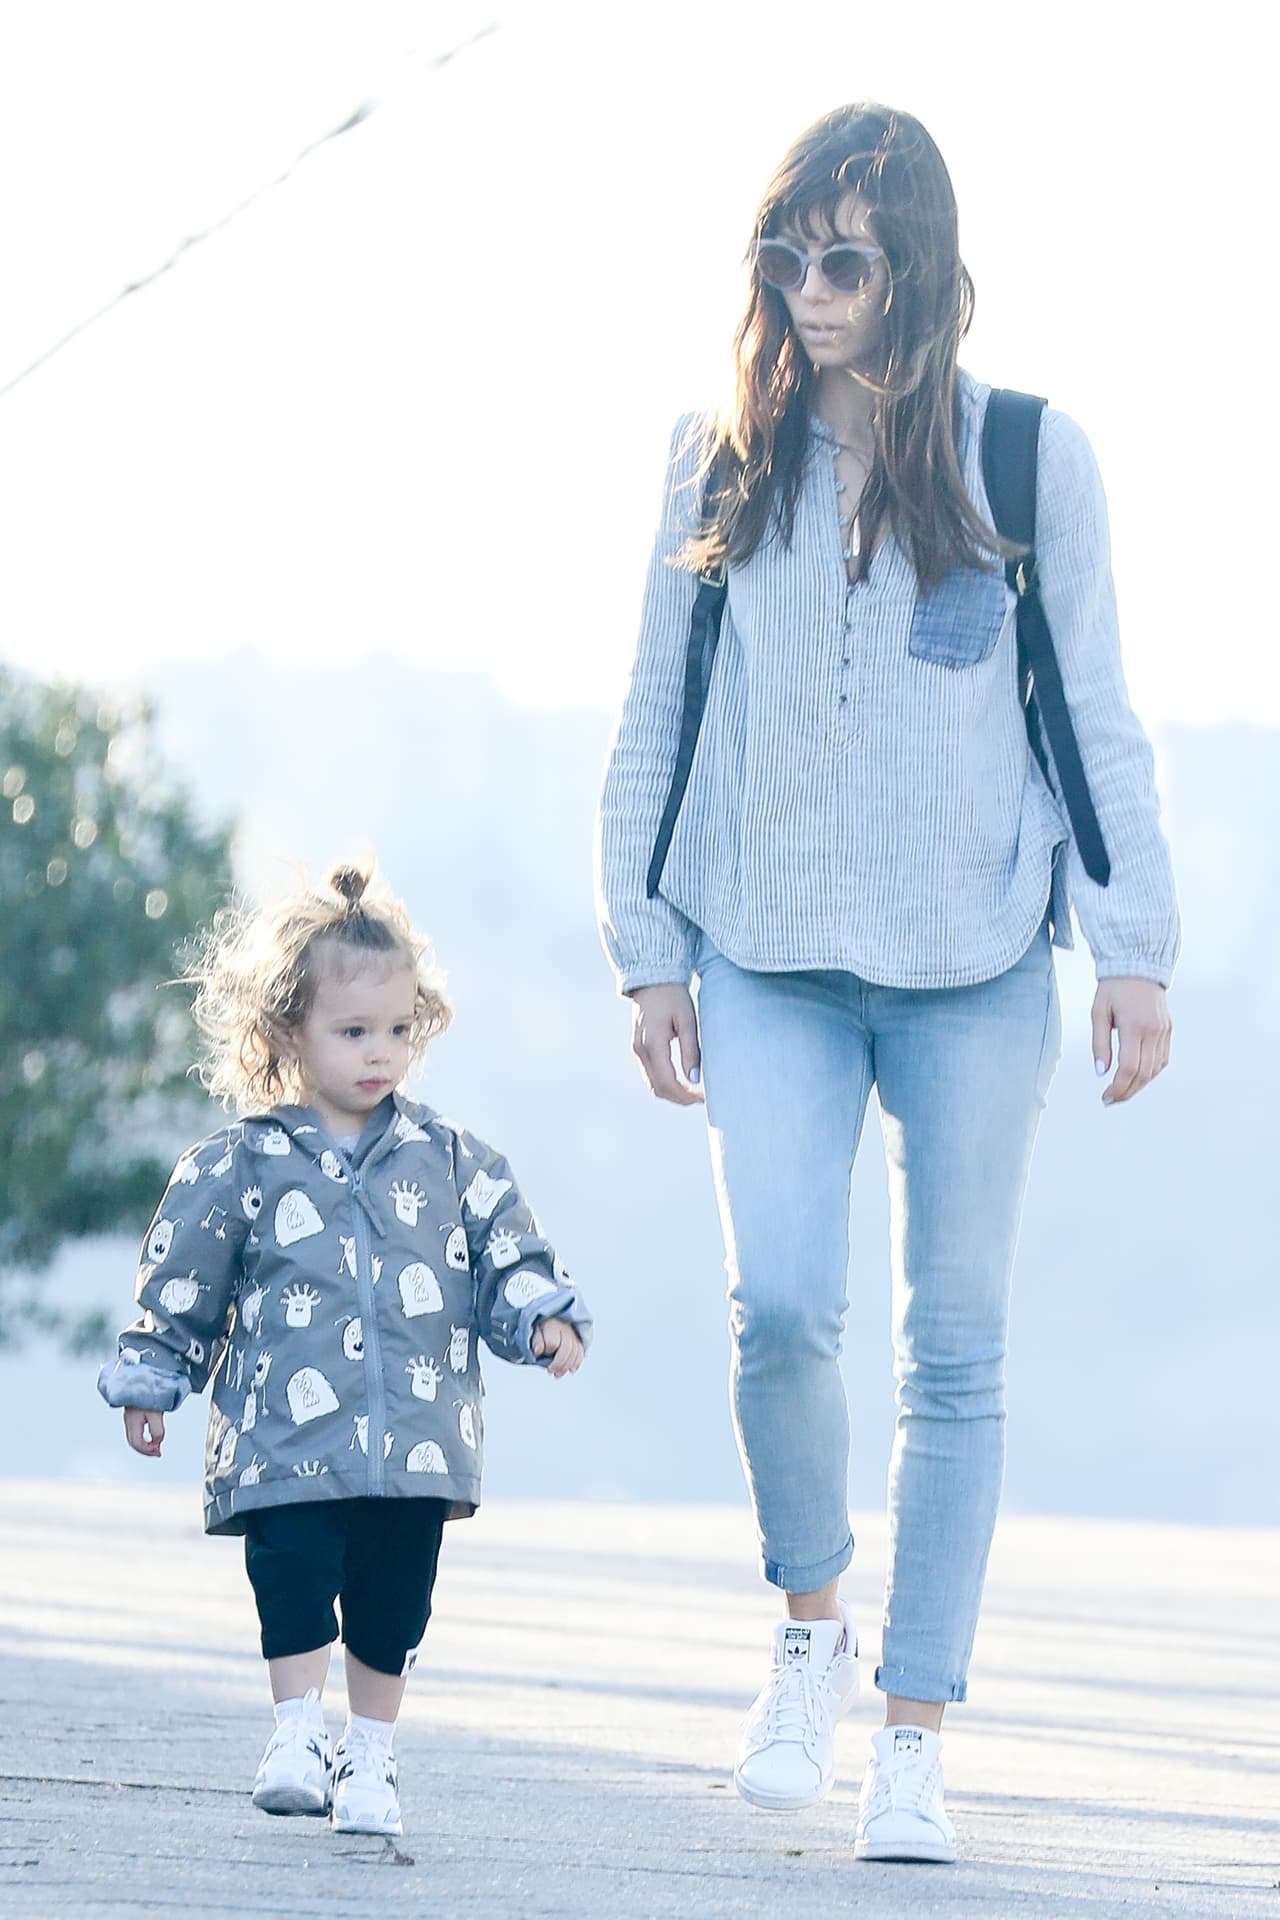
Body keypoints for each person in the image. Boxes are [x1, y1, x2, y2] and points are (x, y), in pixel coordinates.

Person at [595, 102, 1177, 1865]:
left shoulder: (1024, 458)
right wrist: (648, 951)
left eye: (844, 257)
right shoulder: (722, 456)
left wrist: (1132, 943)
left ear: (917, 268)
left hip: (977, 961)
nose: (811, 288)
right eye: (788, 256)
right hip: (764, 954)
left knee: (959, 1347)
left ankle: (912, 1730)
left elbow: (1089, 715)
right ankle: (808, 1625)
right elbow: (660, 714)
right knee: (778, 1312)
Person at [99, 861, 590, 1837]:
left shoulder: (451, 1161)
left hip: (413, 1438)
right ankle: (294, 1732)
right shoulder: (241, 1163)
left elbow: (507, 1250)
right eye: (353, 1032)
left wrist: (539, 1315)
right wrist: (154, 1376)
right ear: (287, 1034)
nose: (381, 1054)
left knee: (390, 1604)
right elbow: (182, 1280)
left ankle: (370, 1756)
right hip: (284, 1436)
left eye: (399, 1030)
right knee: (290, 1573)